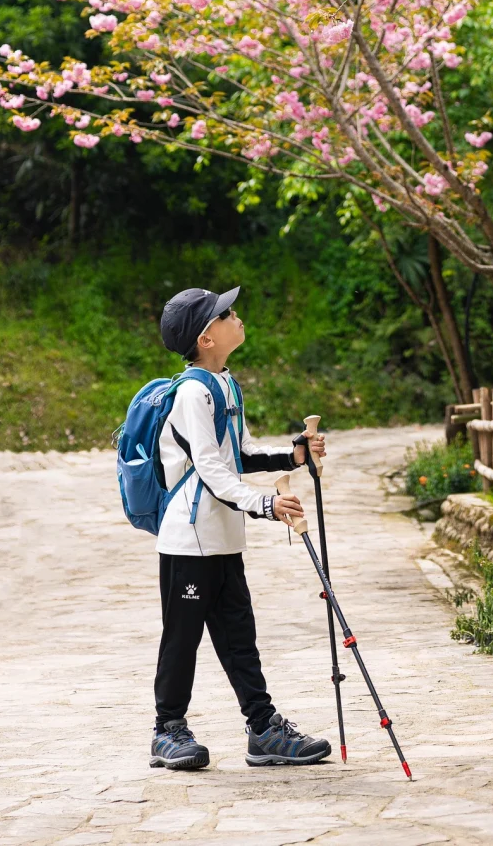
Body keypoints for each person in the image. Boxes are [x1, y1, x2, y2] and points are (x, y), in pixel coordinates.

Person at [149, 283, 331, 772]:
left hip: (223, 537)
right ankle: (168, 731)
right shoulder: (190, 392)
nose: (237, 316)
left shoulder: (225, 384)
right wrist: (266, 504)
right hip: (189, 539)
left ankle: (263, 729)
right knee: (181, 637)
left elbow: (241, 454)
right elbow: (210, 470)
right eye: (227, 313)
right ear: (207, 337)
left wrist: (293, 456)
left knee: (238, 636)